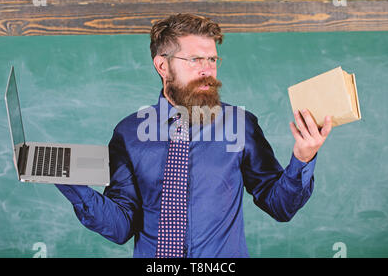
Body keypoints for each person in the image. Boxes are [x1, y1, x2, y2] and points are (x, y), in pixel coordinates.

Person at [56, 13, 332, 258]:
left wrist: (303, 158)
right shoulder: (129, 133)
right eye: (195, 59)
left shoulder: (240, 125)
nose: (207, 70)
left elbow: (280, 207)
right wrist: (72, 183)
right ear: (162, 66)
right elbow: (121, 227)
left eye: (212, 59)